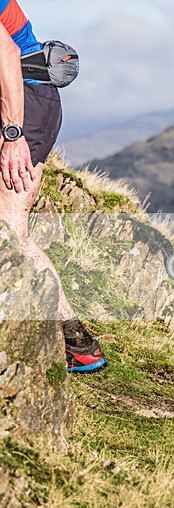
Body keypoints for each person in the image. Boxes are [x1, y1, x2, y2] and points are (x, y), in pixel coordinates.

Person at [0, 0, 106, 373]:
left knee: (9, 231)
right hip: (27, 100)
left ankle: (73, 341)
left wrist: (12, 135)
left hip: (21, 103)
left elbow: (7, 52)